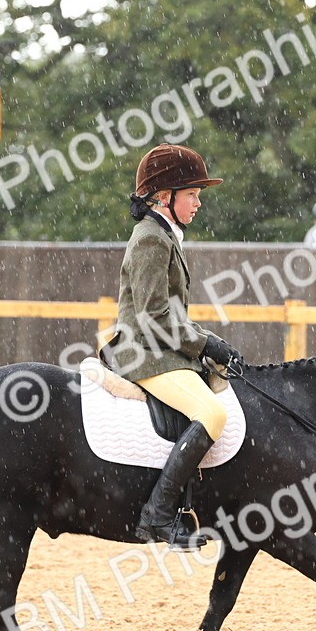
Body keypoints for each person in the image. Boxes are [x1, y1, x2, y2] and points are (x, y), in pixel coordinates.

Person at [106, 143, 241, 551]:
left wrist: (207, 344)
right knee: (211, 413)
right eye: (193, 195)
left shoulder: (165, 234)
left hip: (160, 349)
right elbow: (152, 315)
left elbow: (170, 313)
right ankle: (158, 515)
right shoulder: (151, 238)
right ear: (164, 197)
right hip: (142, 353)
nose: (199, 203)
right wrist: (204, 343)